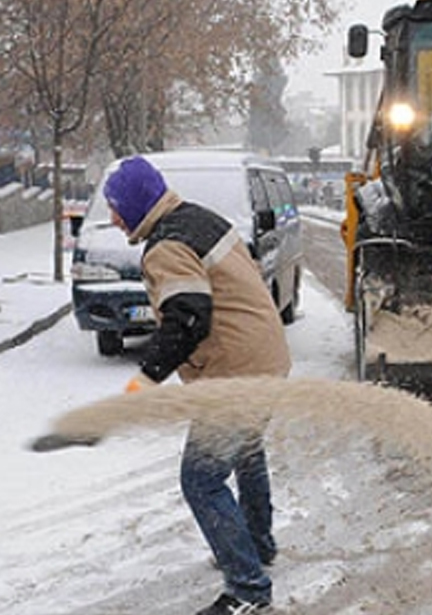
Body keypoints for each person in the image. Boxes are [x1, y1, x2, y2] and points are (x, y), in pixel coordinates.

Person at [104, 155, 289, 614]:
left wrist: (146, 378)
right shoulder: (201, 219)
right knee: (247, 452)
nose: (111, 218)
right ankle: (258, 546)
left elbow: (188, 318)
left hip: (236, 372)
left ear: (133, 205)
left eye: (115, 207)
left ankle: (248, 589)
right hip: (266, 356)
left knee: (201, 479)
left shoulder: (166, 246)